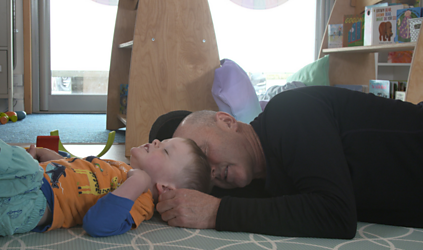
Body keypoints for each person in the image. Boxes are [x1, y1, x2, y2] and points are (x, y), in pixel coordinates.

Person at [0, 100, 211, 250]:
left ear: (163, 187)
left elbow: (97, 223)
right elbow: (81, 170)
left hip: (29, 196)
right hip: (6, 193)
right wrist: (55, 156)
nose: (155, 141)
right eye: (161, 141)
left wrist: (138, 182)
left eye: (164, 150)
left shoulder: (139, 201)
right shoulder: (120, 167)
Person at [155, 86, 423, 239]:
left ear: (227, 121)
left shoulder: (289, 112)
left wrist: (216, 212)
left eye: (204, 151)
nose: (211, 171)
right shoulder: (257, 185)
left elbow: (337, 214)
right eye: (204, 176)